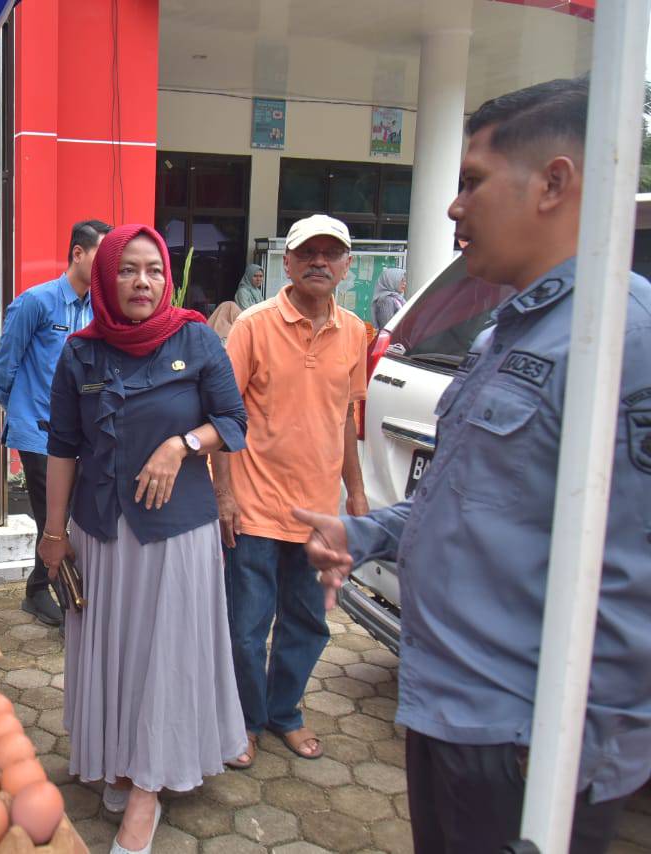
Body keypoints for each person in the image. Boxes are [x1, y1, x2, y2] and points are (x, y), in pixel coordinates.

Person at [297, 77, 651, 854]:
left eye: (473, 182)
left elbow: (632, 584)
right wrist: (370, 534)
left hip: (525, 744)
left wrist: (573, 764)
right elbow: (469, 495)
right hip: (446, 707)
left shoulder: (621, 342)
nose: (453, 208)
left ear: (554, 183)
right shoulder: (503, 335)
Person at [37, 224, 249, 854]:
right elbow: (63, 447)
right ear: (105, 275)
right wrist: (53, 534)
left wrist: (181, 445)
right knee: (118, 650)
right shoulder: (81, 352)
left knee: (165, 655)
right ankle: (123, 761)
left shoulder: (197, 339)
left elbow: (232, 420)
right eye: (127, 269)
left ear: (168, 278)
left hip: (176, 533)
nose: (141, 282)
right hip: (101, 532)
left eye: (153, 270)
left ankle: (149, 790)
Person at [213, 214, 369, 768]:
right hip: (254, 508)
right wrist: (224, 497)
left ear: (347, 265)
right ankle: (246, 721)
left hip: (318, 512)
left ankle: (285, 714)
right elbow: (224, 417)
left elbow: (345, 418)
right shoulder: (253, 326)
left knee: (308, 622)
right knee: (246, 629)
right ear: (289, 262)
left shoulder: (355, 331)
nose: (320, 262)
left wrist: (356, 493)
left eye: (332, 254)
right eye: (309, 253)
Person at [0, 219, 111, 627]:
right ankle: (60, 600)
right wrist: (22, 411)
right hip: (39, 430)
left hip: (80, 433)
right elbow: (5, 365)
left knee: (69, 515)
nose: (108, 267)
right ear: (78, 253)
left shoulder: (100, 308)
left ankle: (38, 587)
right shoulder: (36, 303)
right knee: (52, 517)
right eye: (102, 256)